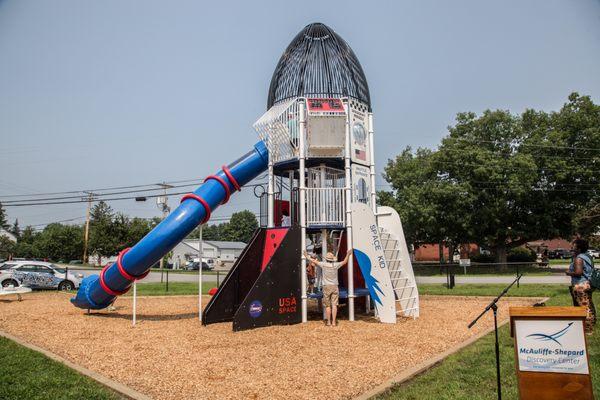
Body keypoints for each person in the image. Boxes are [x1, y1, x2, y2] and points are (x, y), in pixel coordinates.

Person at [304, 249, 352, 327]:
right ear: (332, 259)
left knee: (328, 305)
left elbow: (314, 261)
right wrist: (348, 254)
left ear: (326, 259)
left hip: (326, 286)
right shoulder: (336, 265)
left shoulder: (323, 264)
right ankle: (334, 322)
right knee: (334, 305)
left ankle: (329, 322)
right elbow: (344, 262)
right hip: (334, 286)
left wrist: (306, 256)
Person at [566, 238, 596, 334]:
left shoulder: (579, 258)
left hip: (580, 286)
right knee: (589, 306)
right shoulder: (587, 256)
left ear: (578, 248)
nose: (572, 247)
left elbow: (578, 273)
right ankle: (589, 325)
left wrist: (568, 273)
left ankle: (588, 330)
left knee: (584, 308)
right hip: (587, 284)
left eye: (574, 246)